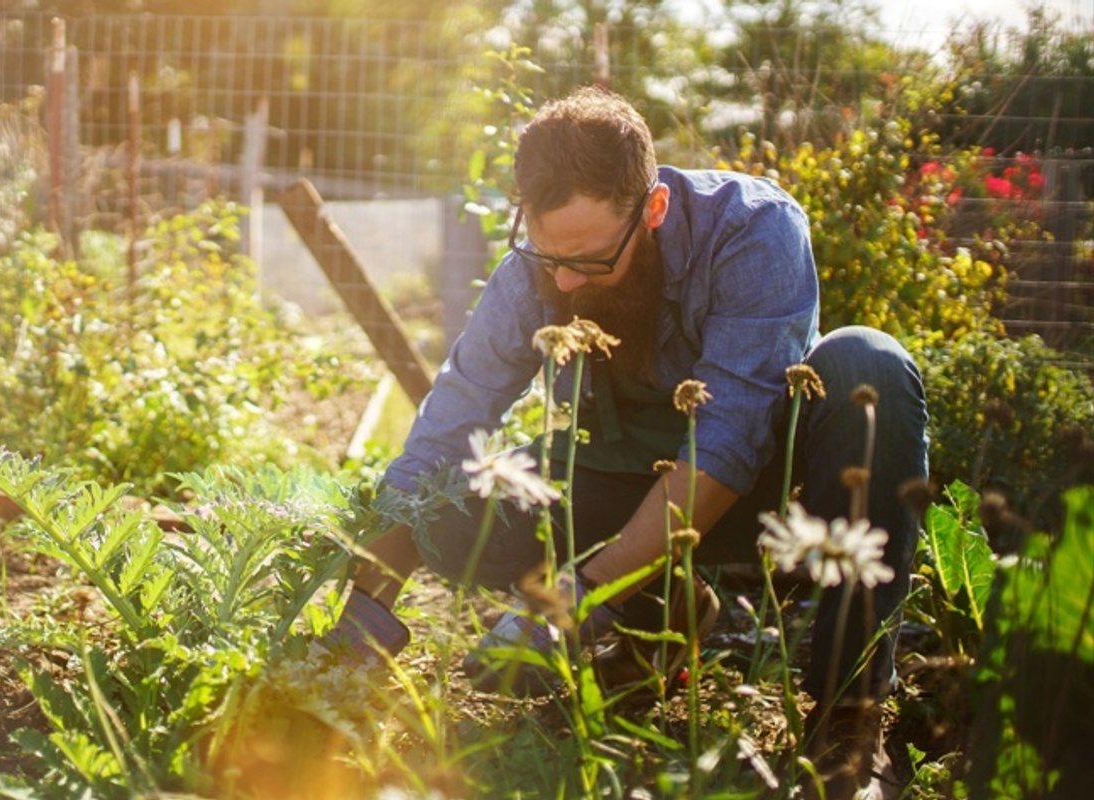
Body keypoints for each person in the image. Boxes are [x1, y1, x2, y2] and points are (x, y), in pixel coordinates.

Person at [315, 86, 927, 799]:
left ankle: (848, 720)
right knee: (448, 508)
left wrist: (579, 595)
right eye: (550, 258)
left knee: (868, 367)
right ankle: (656, 621)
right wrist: (364, 605)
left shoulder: (753, 231)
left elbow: (728, 440)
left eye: (593, 262)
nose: (567, 281)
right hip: (616, 483)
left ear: (654, 210)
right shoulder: (537, 269)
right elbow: (449, 423)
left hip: (760, 495)